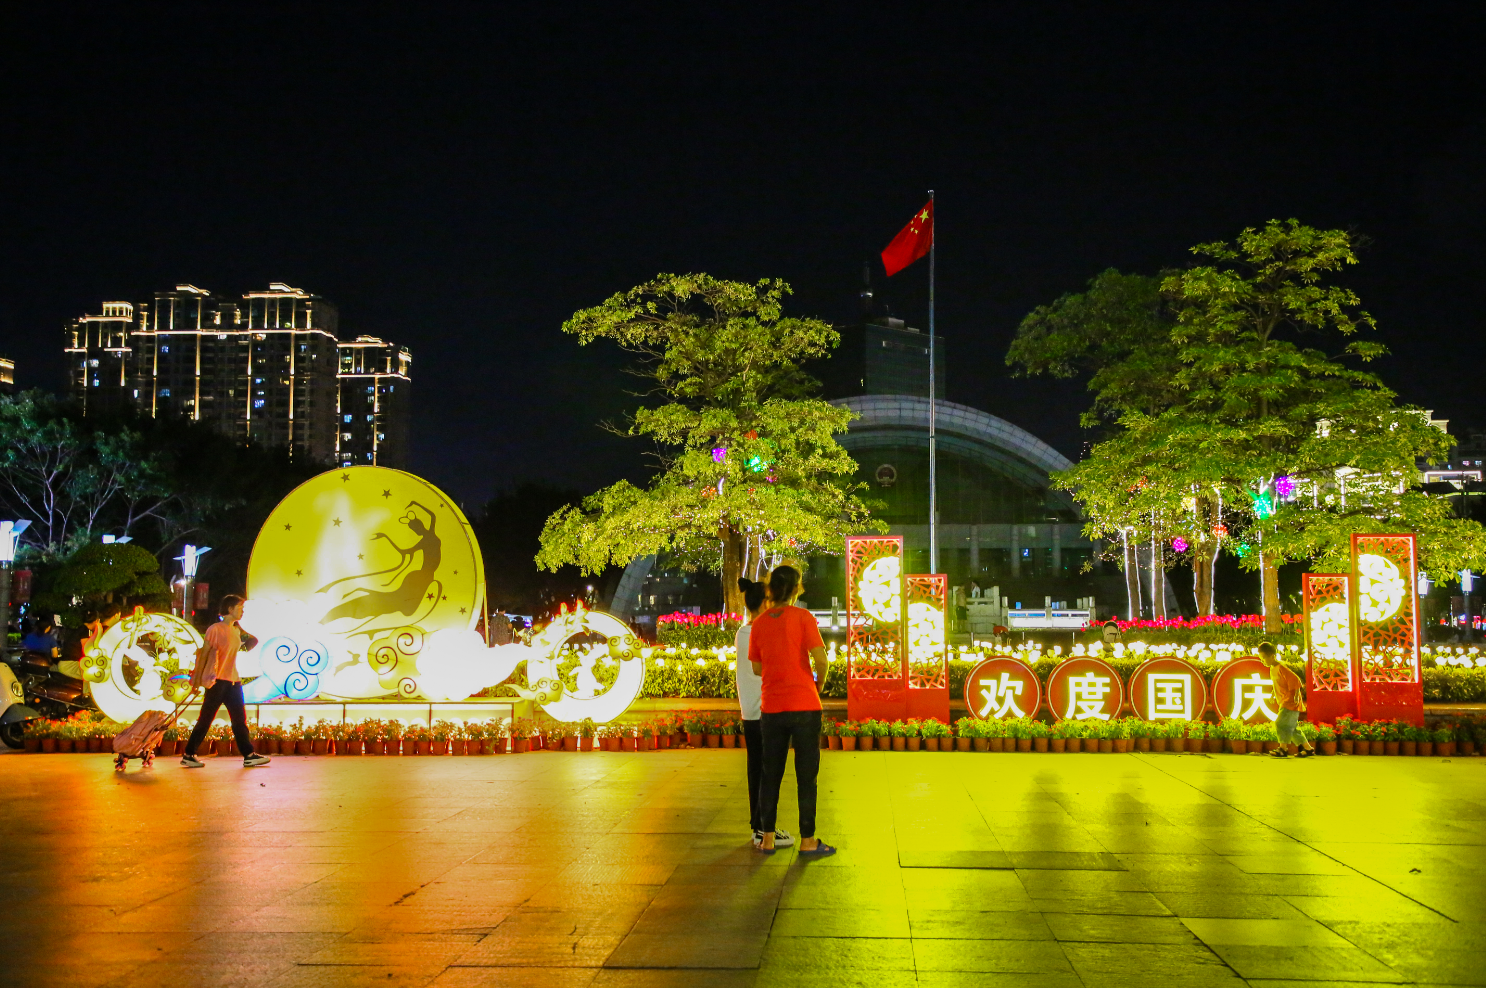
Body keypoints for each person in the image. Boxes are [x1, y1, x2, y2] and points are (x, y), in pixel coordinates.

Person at [749, 564, 834, 857]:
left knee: (770, 774)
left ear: (770, 590)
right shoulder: (803, 617)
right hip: (805, 706)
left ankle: (768, 838)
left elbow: (757, 667)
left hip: (772, 707)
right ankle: (808, 840)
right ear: (797, 589)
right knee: (806, 776)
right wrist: (819, 682)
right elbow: (821, 660)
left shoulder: (759, 623)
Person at [734, 577, 793, 849]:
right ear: (765, 602)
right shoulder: (758, 631)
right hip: (765, 709)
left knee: (757, 769)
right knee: (767, 771)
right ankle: (762, 829)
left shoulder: (743, 632)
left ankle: (759, 826)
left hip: (751, 710)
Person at [182, 595, 271, 768]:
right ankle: (189, 753)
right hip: (218, 681)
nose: (242, 611)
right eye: (240, 607)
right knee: (206, 719)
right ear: (230, 609)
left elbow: (246, 646)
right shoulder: (215, 629)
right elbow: (204, 655)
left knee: (239, 719)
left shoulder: (236, 630)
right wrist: (197, 680)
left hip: (233, 681)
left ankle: (249, 754)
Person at [1259, 641, 1313, 758]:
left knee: (1280, 723)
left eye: (1264, 658)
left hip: (1290, 702)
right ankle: (1308, 748)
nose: (1262, 661)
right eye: (1261, 658)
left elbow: (1296, 680)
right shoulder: (1273, 668)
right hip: (1284, 701)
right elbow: (1278, 683)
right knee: (1292, 728)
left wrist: (1296, 696)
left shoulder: (1281, 668)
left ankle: (1283, 749)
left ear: (1272, 656)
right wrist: (1273, 694)